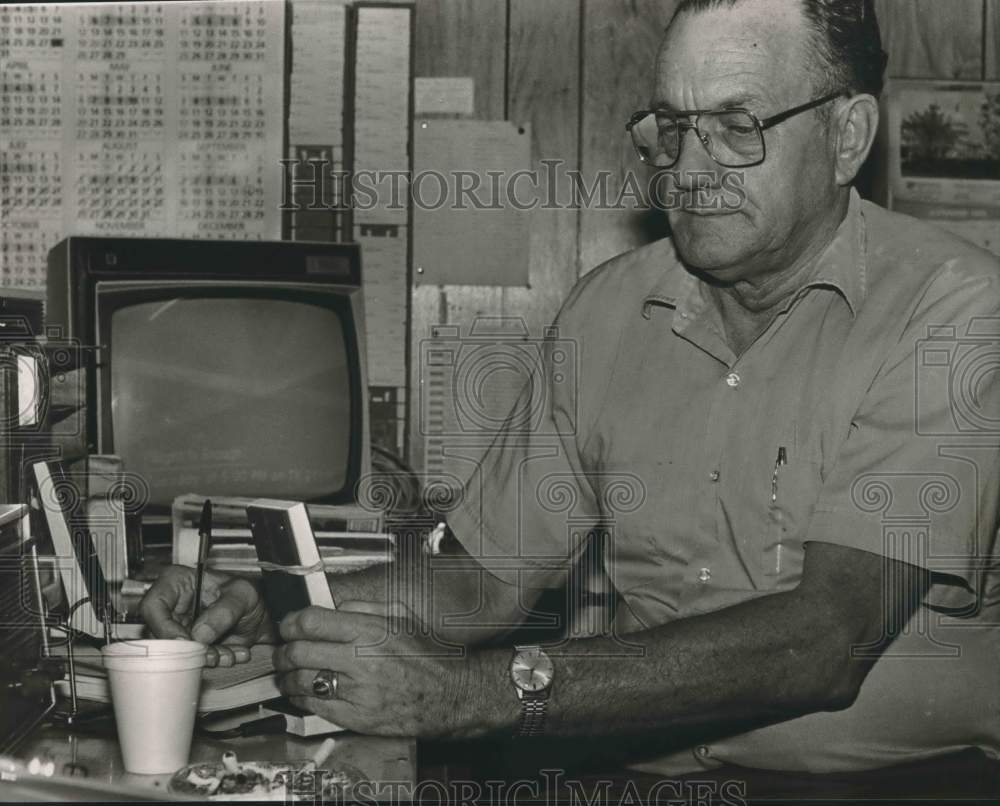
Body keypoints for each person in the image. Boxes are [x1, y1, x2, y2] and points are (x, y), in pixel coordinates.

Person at [142, 0, 1000, 775]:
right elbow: (483, 579)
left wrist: (481, 694)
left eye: (738, 124)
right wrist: (280, 602)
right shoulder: (609, 310)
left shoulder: (956, 311)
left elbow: (827, 641)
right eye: (672, 125)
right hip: (642, 771)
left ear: (848, 137)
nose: (689, 168)